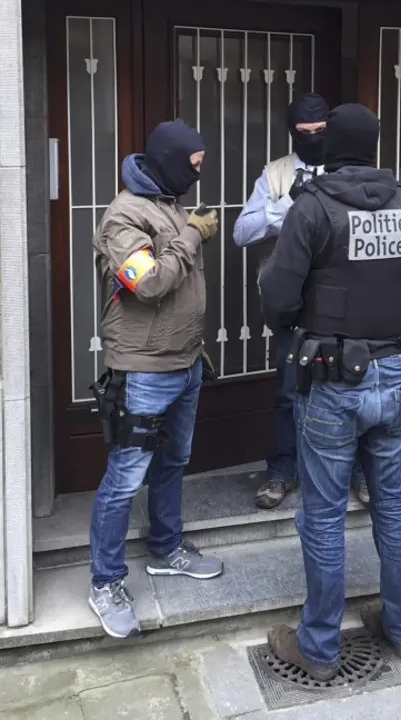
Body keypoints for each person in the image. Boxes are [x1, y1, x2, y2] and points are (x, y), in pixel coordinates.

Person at [259, 104, 401, 681]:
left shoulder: (314, 207)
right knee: (392, 503)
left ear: (331, 147)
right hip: (393, 373)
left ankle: (319, 647)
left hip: (333, 381)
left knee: (325, 513)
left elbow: (279, 299)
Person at [89, 119, 223, 639]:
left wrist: (183, 225)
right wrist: (191, 233)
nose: (198, 172)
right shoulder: (123, 216)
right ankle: (105, 581)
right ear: (169, 160)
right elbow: (147, 283)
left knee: (173, 463)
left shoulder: (167, 202)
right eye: (193, 164)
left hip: (185, 362)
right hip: (143, 370)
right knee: (125, 478)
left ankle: (166, 550)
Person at [233, 93, 367, 510]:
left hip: (346, 302)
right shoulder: (275, 174)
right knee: (289, 392)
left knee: (354, 388)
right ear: (292, 132)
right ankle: (282, 471)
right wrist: (288, 207)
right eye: (303, 133)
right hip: (293, 305)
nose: (312, 139)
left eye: (320, 132)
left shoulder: (349, 168)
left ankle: (360, 472)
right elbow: (241, 231)